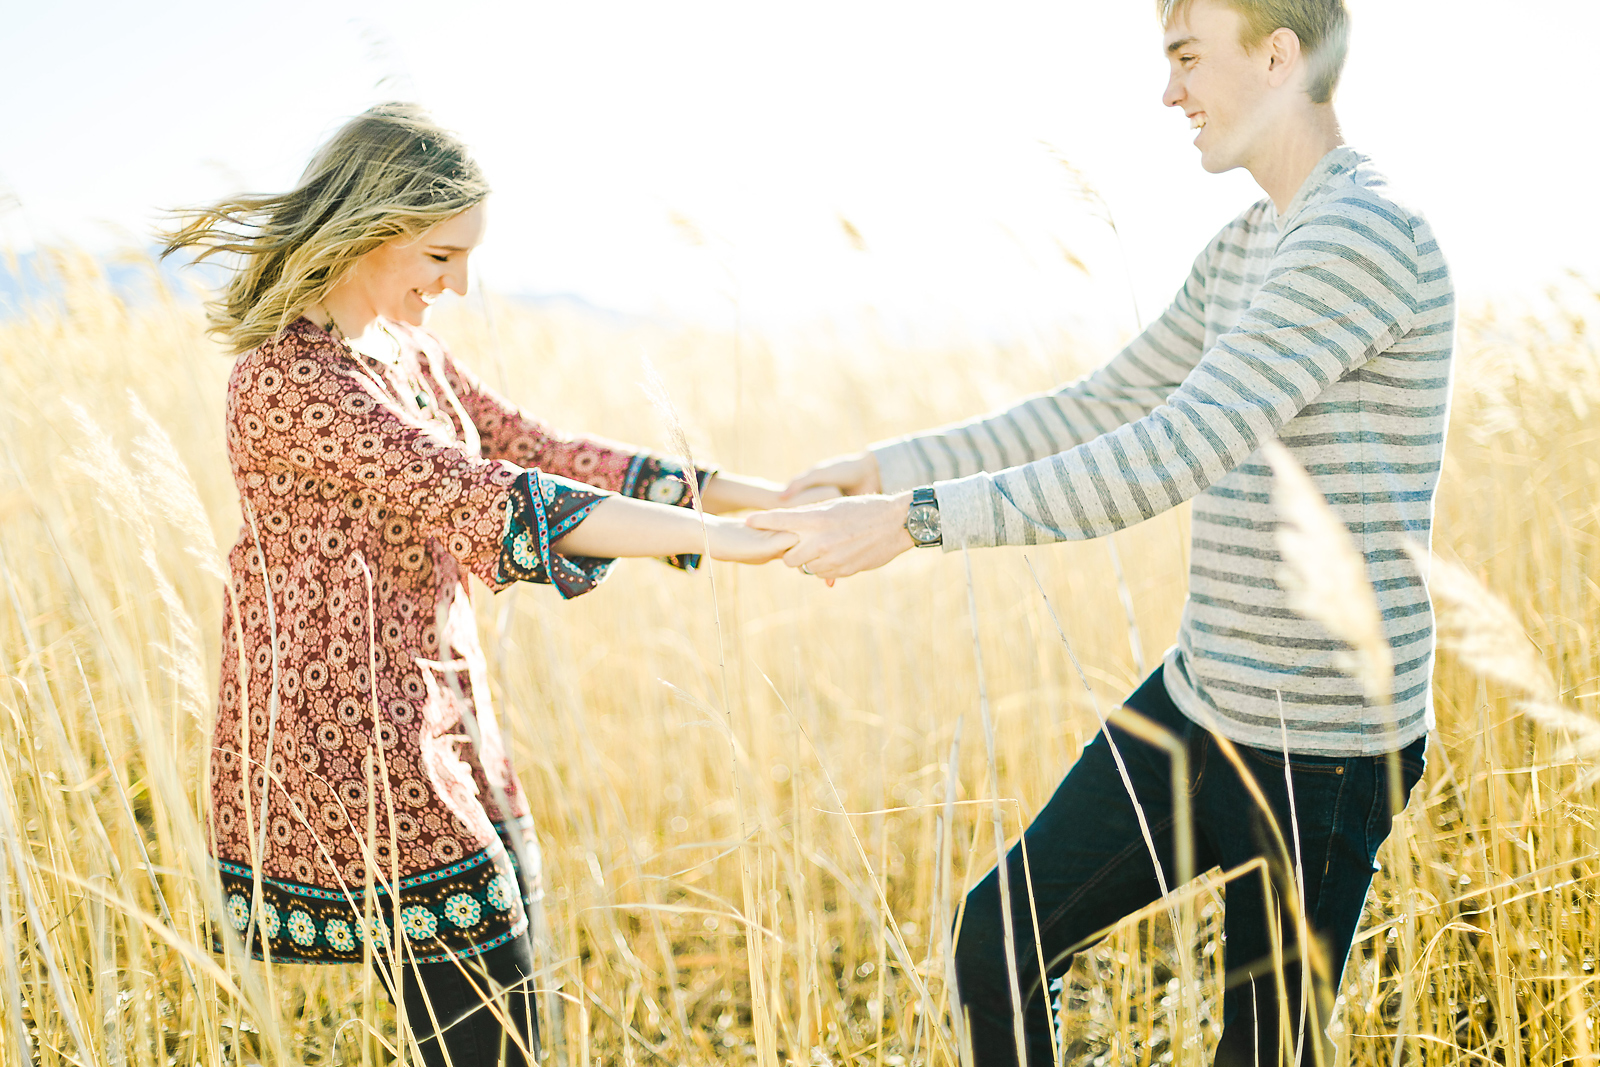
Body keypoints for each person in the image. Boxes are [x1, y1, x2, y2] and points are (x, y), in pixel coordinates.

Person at [749, 0, 1451, 1062]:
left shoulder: (1361, 238)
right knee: (999, 939)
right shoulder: (1251, 242)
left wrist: (914, 521)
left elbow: (1171, 450)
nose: (1168, 93)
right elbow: (1109, 402)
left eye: (1185, 59)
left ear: (1277, 56)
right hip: (1202, 698)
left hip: (1324, 749)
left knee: (1263, 1050)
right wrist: (894, 465)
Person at [165, 103, 821, 1067]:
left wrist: (771, 497)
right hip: (356, 741)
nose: (460, 283)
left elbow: (546, 451)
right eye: (441, 255)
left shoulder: (409, 354)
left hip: (443, 708)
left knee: (513, 1009)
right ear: (368, 229)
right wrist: (718, 540)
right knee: (493, 1032)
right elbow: (490, 495)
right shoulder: (288, 380)